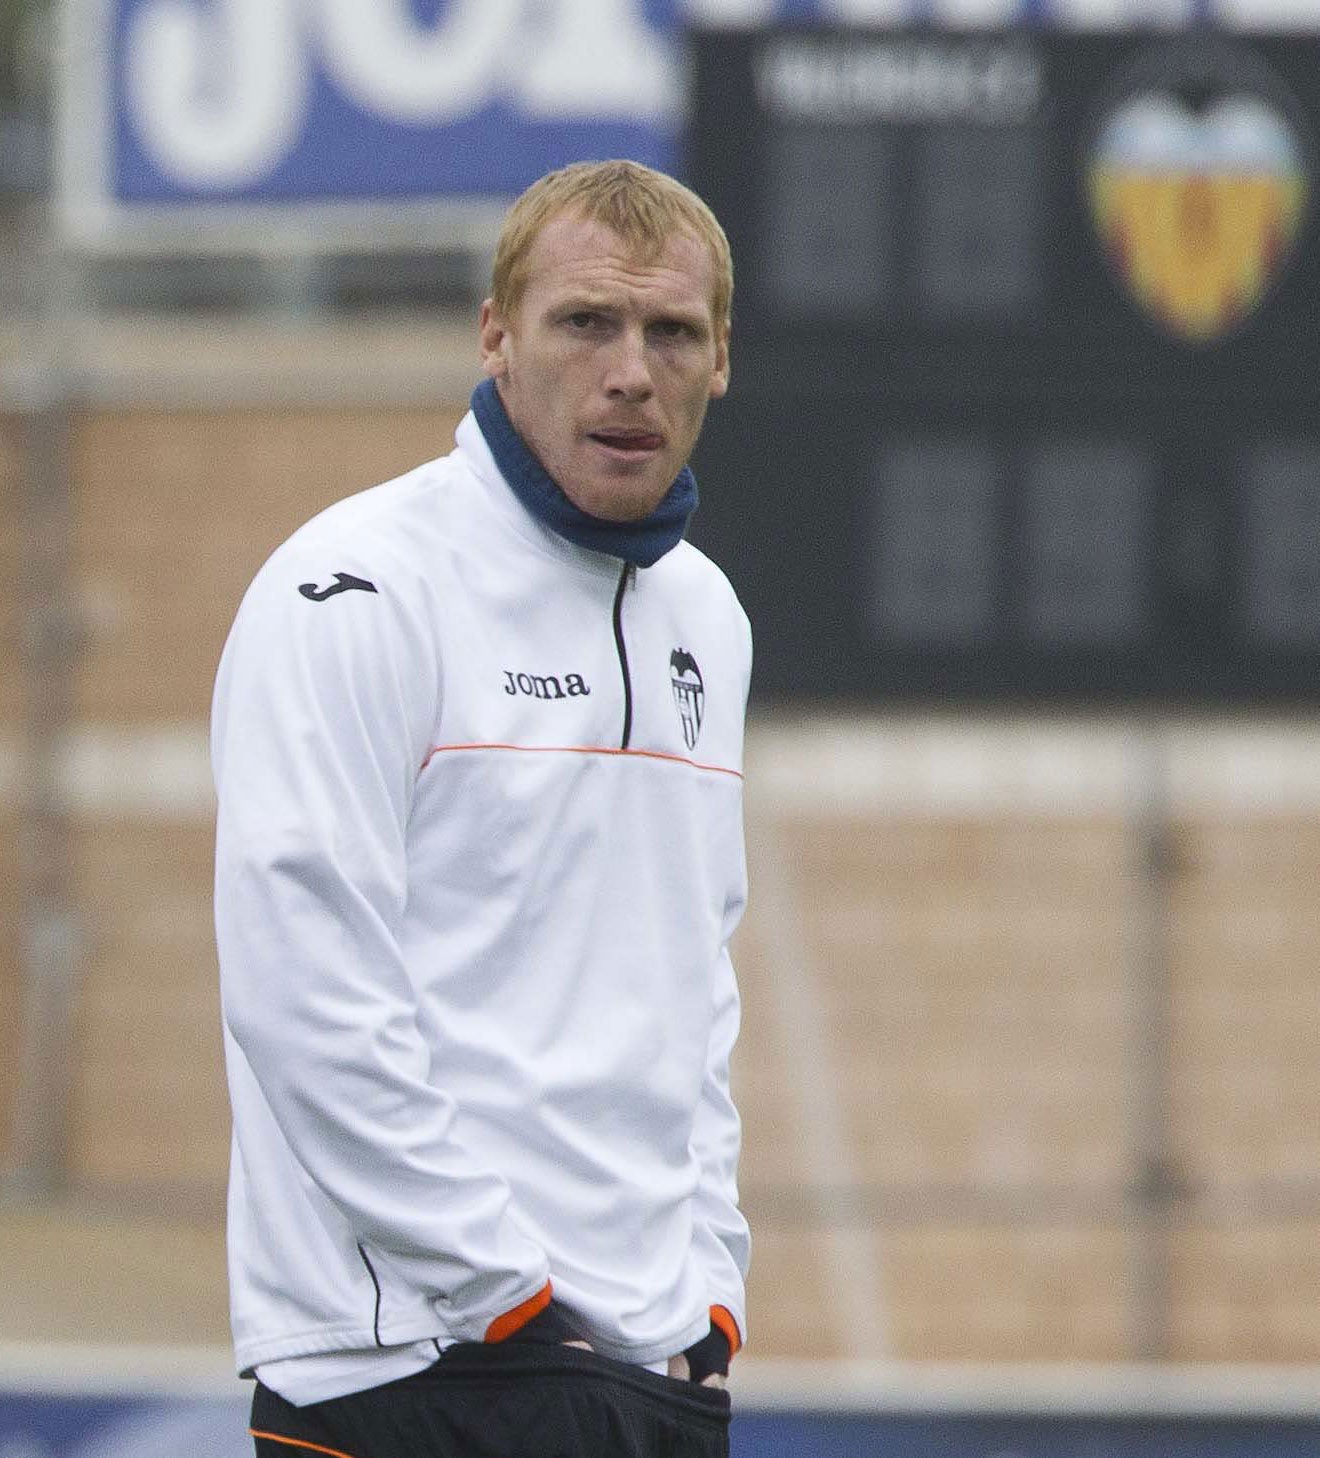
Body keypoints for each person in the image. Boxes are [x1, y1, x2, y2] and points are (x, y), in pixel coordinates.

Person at [211, 159, 752, 1458]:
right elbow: (304, 988)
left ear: (720, 360)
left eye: (670, 331)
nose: (631, 370)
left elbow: (696, 985)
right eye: (585, 323)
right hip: (406, 1364)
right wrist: (503, 1290)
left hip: (648, 1367)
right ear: (497, 338)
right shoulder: (354, 587)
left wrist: (711, 1290)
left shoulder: (708, 618)